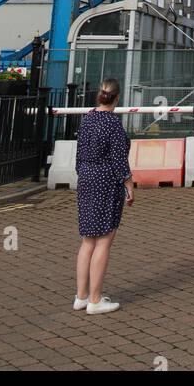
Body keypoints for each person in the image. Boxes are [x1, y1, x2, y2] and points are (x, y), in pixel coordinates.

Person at [73, 77, 133, 315]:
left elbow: (79, 154)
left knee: (87, 241)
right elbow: (119, 160)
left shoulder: (87, 120)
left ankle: (81, 296)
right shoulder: (113, 124)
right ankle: (96, 300)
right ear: (117, 98)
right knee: (104, 241)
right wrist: (129, 184)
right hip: (105, 180)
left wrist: (84, 174)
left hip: (86, 177)